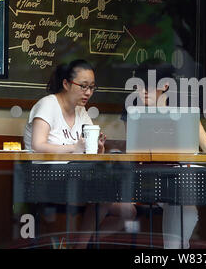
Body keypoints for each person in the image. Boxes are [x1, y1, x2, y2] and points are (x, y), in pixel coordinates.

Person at [24, 59, 136, 248]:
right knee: (105, 192)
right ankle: (81, 245)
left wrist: (98, 149)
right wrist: (73, 149)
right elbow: (37, 145)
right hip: (46, 178)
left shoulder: (81, 111)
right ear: (66, 84)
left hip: (78, 178)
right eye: (83, 86)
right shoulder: (48, 105)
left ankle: (82, 241)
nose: (88, 93)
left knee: (129, 211)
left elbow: (86, 153)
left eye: (92, 87)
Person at [122, 59, 206, 248]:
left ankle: (174, 248)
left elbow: (195, 127)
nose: (142, 92)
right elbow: (133, 146)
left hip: (176, 173)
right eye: (139, 86)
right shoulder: (133, 106)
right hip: (147, 176)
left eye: (147, 87)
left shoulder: (180, 102)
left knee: (180, 196)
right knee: (182, 198)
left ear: (165, 85)